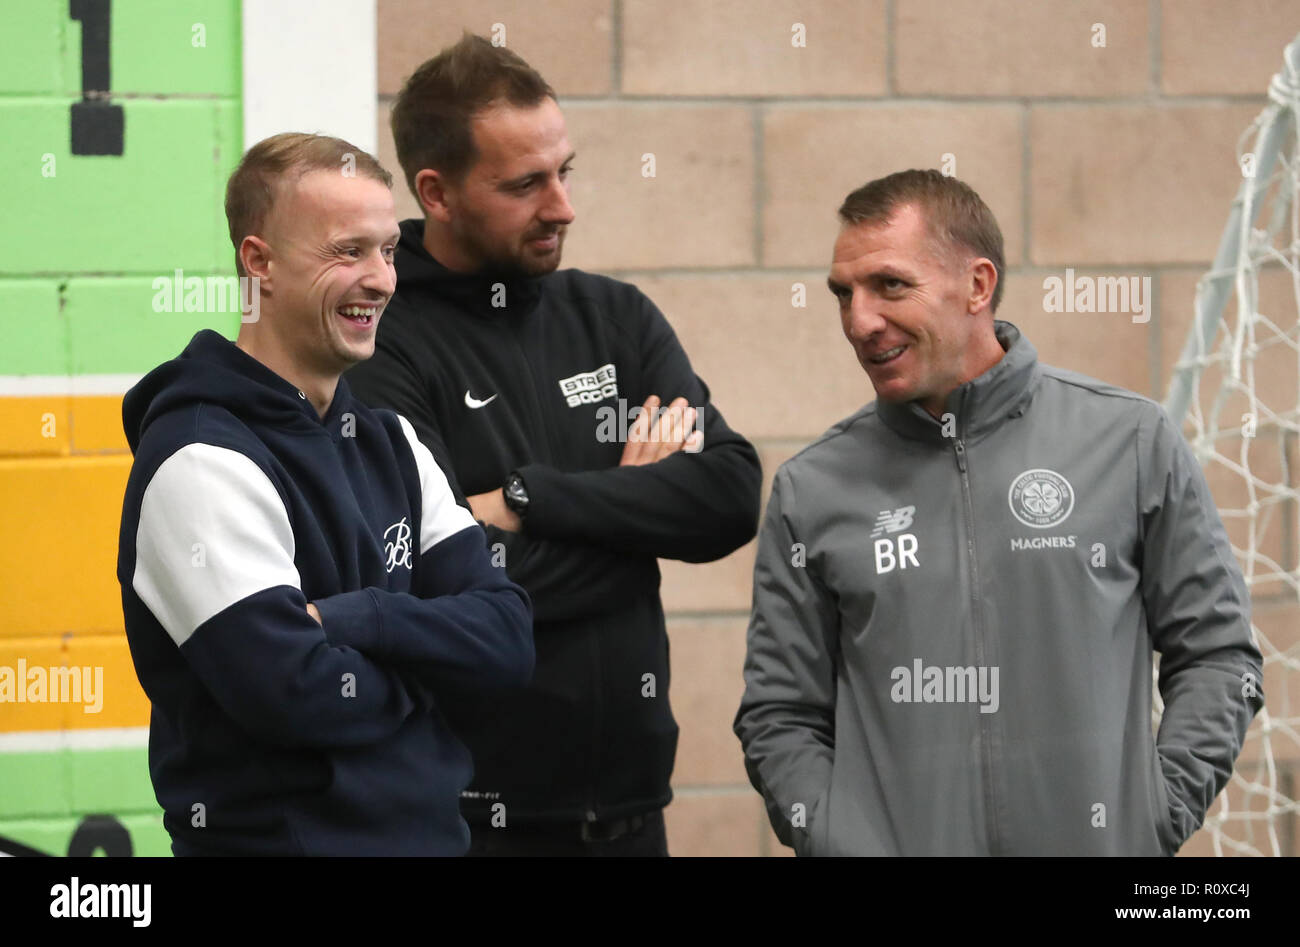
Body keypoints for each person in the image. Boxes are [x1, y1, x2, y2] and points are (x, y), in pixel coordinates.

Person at [734, 169, 1264, 856]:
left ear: (978, 286)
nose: (860, 320)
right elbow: (779, 713)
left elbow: (1220, 654)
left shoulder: (1130, 441)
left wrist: (1152, 814)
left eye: (890, 285)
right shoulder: (814, 488)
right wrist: (839, 838)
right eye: (845, 293)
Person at [347, 35, 761, 856]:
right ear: (438, 192)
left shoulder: (614, 317)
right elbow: (434, 583)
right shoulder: (383, 341)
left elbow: (728, 494)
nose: (563, 205)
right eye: (525, 184)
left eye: (564, 171)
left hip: (633, 815)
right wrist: (635, 528)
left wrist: (531, 500)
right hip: (468, 827)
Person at [117, 132, 534, 856]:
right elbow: (296, 693)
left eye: (388, 250)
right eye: (348, 251)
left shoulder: (394, 443)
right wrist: (438, 670)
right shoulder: (199, 457)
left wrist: (362, 618)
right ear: (260, 263)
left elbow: (508, 642)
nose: (379, 279)